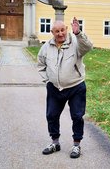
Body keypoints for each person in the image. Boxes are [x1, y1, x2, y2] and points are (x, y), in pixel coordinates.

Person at [37, 17, 93, 159]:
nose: (60, 33)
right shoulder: (46, 47)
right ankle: (55, 143)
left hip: (76, 86)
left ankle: (76, 145)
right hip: (55, 88)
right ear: (52, 32)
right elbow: (41, 64)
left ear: (66, 29)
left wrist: (79, 33)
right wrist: (48, 80)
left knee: (77, 116)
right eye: (57, 31)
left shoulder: (75, 42)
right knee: (51, 115)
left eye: (62, 30)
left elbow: (88, 47)